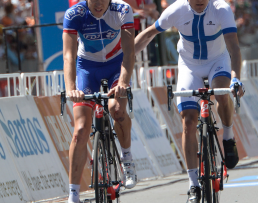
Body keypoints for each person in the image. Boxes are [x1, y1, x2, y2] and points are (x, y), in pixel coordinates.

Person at [134, 0, 245, 202]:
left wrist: (236, 77)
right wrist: (123, 58)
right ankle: (193, 184)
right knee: (189, 121)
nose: (200, 1)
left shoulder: (221, 9)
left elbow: (234, 46)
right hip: (189, 66)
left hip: (217, 62)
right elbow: (150, 33)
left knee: (221, 93)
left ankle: (227, 136)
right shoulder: (176, 10)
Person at [62, 0, 137, 202]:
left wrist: (123, 82)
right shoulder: (74, 14)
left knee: (117, 110)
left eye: (103, 0)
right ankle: (73, 195)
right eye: (94, 0)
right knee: (80, 128)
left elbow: (130, 52)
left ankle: (127, 159)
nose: (98, 4)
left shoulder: (122, 10)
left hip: (116, 66)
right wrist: (71, 89)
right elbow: (68, 56)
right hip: (87, 68)